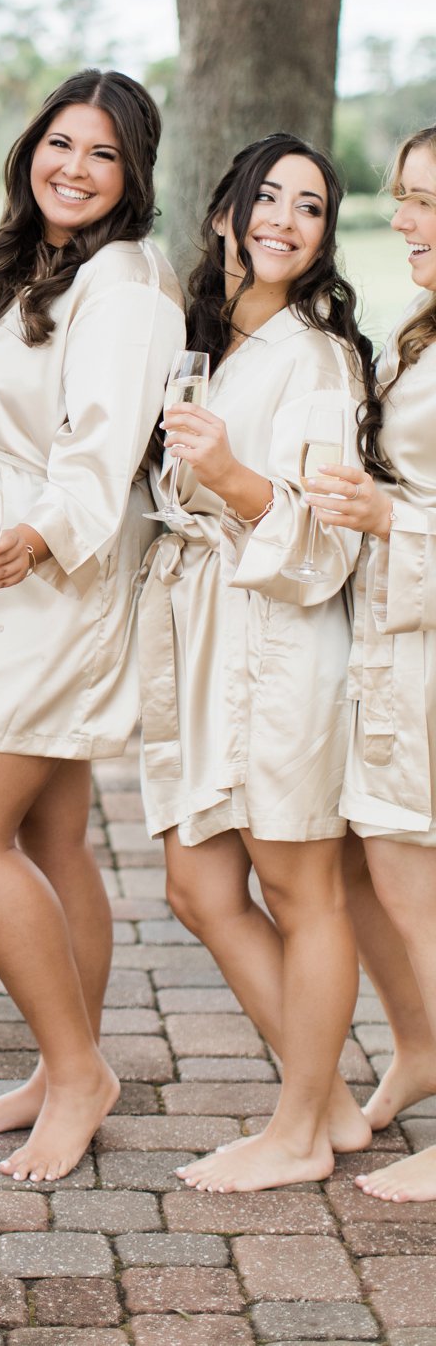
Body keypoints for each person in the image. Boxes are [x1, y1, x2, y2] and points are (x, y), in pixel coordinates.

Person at [0, 68, 183, 1183]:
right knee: (52, 835)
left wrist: (34, 535)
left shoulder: (123, 283)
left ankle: (79, 1068)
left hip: (47, 574)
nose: (72, 168)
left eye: (103, 155)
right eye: (60, 144)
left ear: (133, 177)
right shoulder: (41, 261)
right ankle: (56, 1059)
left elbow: (102, 450)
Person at [138, 133, 375, 1193]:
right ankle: (323, 1101)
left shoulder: (317, 356)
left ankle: (298, 1126)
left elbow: (328, 544)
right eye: (267, 195)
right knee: (198, 882)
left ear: (324, 236)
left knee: (299, 883)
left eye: (311, 206)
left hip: (283, 644)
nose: (284, 216)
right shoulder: (205, 334)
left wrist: (232, 475)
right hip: (206, 634)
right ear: (227, 209)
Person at [306, 126, 436, 1201]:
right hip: (387, 642)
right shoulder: (417, 330)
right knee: (356, 864)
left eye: (427, 202)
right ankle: (418, 1045)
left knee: (411, 876)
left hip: (429, 654)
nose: (403, 221)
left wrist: (394, 516)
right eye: (403, 198)